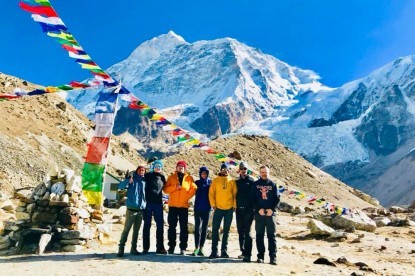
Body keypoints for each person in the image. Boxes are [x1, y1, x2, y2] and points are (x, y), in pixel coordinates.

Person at [163, 160, 197, 255]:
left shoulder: (189, 178)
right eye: (179, 166)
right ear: (176, 168)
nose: (180, 168)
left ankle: (183, 248)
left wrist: (186, 197)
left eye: (182, 167)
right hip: (173, 206)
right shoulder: (171, 177)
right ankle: (171, 247)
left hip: (183, 206)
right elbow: (165, 190)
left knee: (183, 228)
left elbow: (194, 188)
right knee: (172, 227)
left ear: (185, 168)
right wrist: (174, 187)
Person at [252, 165, 280, 265]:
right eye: (262, 172)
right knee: (259, 235)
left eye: (266, 172)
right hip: (259, 214)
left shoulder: (273, 184)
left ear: (269, 173)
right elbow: (253, 198)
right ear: (260, 173)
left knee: (271, 236)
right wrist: (258, 209)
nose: (264, 174)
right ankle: (260, 256)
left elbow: (277, 199)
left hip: (270, 214)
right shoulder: (255, 185)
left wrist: (272, 209)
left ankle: (273, 257)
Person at [117, 165, 146, 257]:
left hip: (141, 210)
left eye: (143, 170)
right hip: (131, 209)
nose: (142, 171)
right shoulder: (131, 180)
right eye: (140, 170)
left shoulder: (145, 181)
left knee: (136, 231)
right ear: (137, 171)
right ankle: (121, 248)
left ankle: (133, 248)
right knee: (126, 229)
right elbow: (120, 187)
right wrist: (127, 180)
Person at [208, 163, 237, 259]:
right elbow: (211, 194)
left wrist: (234, 206)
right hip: (218, 209)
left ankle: (224, 251)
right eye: (223, 169)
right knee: (215, 230)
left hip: (229, 209)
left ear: (229, 170)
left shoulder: (232, 181)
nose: (224, 171)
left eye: (226, 169)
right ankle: (214, 251)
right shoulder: (215, 181)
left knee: (226, 231)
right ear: (220, 170)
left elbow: (235, 194)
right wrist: (213, 205)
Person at [143, 159, 167, 254]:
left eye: (160, 167)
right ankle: (145, 247)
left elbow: (167, 188)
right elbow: (140, 176)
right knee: (146, 225)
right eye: (156, 166)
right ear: (153, 167)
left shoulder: (162, 177)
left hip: (158, 204)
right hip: (148, 203)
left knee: (160, 226)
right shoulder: (148, 175)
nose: (158, 168)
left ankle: (160, 247)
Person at [235, 161, 255, 262]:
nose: (243, 171)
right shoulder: (236, 182)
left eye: (245, 169)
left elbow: (254, 196)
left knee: (247, 232)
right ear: (239, 170)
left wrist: (254, 209)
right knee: (240, 231)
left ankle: (248, 254)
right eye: (242, 169)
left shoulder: (252, 181)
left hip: (249, 210)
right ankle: (243, 251)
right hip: (239, 210)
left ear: (247, 170)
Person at [192, 166, 212, 256]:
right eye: (202, 173)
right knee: (197, 228)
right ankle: (196, 247)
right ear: (200, 174)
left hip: (207, 209)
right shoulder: (197, 183)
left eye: (205, 173)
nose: (204, 175)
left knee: (204, 228)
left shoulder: (210, 183)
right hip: (198, 208)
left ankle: (202, 247)